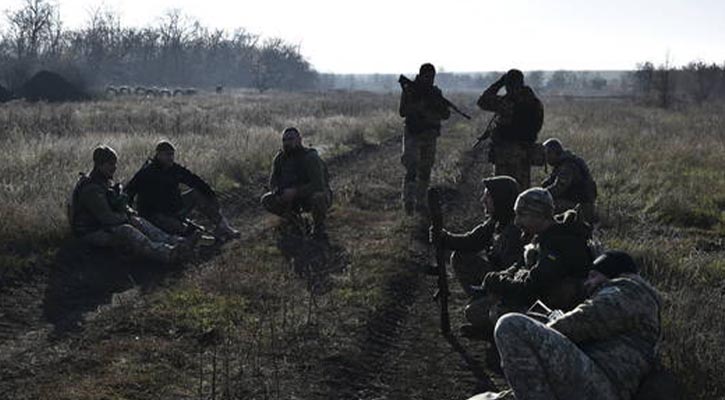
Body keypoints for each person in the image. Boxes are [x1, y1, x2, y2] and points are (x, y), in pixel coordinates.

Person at [470, 250, 661, 400]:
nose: (587, 283)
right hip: (588, 380)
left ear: (611, 274)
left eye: (593, 275)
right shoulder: (631, 298)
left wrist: (537, 334)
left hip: (600, 385)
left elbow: (580, 322)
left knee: (510, 325)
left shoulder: (630, 290)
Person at [68, 145, 199, 263]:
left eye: (115, 164)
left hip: (104, 226)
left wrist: (128, 211)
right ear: (99, 165)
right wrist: (125, 217)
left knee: (137, 221)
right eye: (110, 164)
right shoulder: (91, 189)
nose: (114, 167)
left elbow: (118, 203)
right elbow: (106, 218)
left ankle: (177, 242)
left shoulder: (105, 182)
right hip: (90, 232)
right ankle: (168, 254)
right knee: (127, 230)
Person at [429, 176, 525, 335]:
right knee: (460, 257)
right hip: (497, 279)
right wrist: (444, 238)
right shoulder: (495, 222)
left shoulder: (515, 232)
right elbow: (470, 241)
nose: (483, 200)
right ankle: (482, 302)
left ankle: (492, 324)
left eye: (488, 196)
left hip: (510, 288)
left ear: (500, 199)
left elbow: (515, 277)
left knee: (473, 313)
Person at [480, 187, 592, 322]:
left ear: (539, 215)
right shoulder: (542, 237)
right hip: (545, 302)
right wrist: (505, 276)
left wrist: (496, 281)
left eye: (522, 215)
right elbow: (520, 267)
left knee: (496, 313)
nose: (516, 222)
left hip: (563, 314)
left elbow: (532, 288)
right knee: (482, 308)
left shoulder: (559, 243)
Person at [124, 140, 239, 241]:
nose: (170, 158)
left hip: (175, 208)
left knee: (196, 194)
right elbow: (129, 191)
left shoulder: (174, 169)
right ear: (158, 155)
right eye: (167, 155)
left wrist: (210, 194)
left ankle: (223, 226)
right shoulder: (147, 172)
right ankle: (193, 238)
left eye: (172, 155)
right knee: (183, 230)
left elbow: (193, 179)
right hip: (156, 215)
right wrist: (129, 215)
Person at [260, 127, 332, 240]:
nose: (287, 142)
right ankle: (294, 221)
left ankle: (318, 227)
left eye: (290, 139)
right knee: (267, 199)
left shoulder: (311, 158)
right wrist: (278, 192)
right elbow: (273, 181)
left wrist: (295, 192)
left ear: (299, 139)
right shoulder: (279, 159)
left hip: (309, 197)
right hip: (291, 198)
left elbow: (318, 185)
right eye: (284, 140)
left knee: (319, 196)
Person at [477, 69, 544, 189]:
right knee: (521, 191)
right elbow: (538, 125)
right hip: (525, 153)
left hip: (505, 153)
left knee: (502, 192)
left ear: (508, 85)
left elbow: (482, 101)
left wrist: (499, 82)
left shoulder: (506, 103)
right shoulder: (535, 103)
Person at [399, 63, 451, 214]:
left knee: (425, 171)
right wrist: (418, 106)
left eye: (432, 77)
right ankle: (408, 201)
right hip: (413, 134)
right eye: (427, 77)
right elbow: (402, 112)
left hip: (430, 135)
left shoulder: (435, 93)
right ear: (421, 76)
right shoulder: (410, 90)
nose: (430, 80)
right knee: (411, 169)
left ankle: (420, 202)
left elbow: (446, 114)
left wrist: (437, 105)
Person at [541, 138, 597, 223]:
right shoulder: (562, 163)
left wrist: (541, 195)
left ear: (554, 153)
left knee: (546, 206)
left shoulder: (567, 167)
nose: (546, 158)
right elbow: (549, 183)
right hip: (577, 203)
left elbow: (558, 188)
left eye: (547, 154)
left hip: (582, 208)